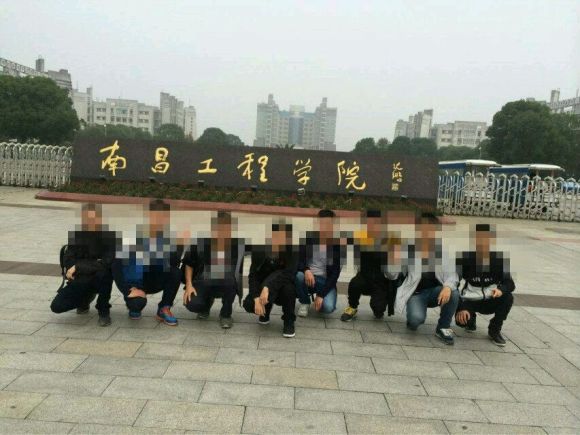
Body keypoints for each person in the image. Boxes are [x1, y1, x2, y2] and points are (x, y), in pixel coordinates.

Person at [112, 199, 183, 325]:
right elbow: (117, 265)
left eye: (163, 217)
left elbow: (174, 263)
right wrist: (127, 290)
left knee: (175, 272)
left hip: (155, 278)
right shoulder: (133, 236)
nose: (158, 221)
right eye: (155, 217)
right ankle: (134, 306)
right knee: (136, 304)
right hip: (137, 282)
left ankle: (164, 308)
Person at [392, 213, 460, 345]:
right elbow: (392, 275)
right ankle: (413, 317)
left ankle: (443, 327)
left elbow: (452, 275)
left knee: (453, 292)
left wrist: (447, 287)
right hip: (416, 294)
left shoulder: (442, 251)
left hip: (436, 293)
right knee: (415, 321)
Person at [51, 203, 117, 327]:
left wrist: (78, 266)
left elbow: (106, 262)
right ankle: (85, 299)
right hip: (80, 279)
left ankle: (103, 309)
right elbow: (68, 260)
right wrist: (84, 266)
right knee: (57, 306)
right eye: (87, 219)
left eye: (94, 218)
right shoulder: (76, 234)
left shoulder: (110, 236)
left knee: (105, 273)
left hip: (99, 279)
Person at [182, 211, 245, 329]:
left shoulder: (237, 244)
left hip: (226, 282)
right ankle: (205, 305)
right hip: (203, 280)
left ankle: (226, 314)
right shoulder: (200, 242)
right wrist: (189, 285)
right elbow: (189, 264)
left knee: (230, 281)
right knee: (193, 305)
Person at [455, 224, 515, 346]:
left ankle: (494, 329)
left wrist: (501, 290)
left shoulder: (499, 260)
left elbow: (510, 283)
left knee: (508, 297)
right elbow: (454, 283)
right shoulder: (464, 258)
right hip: (470, 300)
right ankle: (471, 318)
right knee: (461, 322)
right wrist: (461, 307)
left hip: (490, 299)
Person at [243, 221, 298, 338]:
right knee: (249, 304)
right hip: (264, 285)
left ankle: (289, 321)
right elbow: (253, 275)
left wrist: (267, 287)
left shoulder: (292, 250)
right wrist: (256, 298)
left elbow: (289, 273)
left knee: (289, 290)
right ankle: (265, 311)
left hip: (282, 287)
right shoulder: (259, 249)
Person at [340, 210, 396, 321]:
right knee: (355, 284)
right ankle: (352, 307)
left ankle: (379, 306)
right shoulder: (361, 236)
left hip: (381, 280)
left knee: (378, 310)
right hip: (364, 276)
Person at [296, 209, 345, 317]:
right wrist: (306, 270)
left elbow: (335, 274)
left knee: (328, 308)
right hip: (307, 277)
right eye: (322, 223)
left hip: (324, 281)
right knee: (298, 275)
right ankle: (305, 302)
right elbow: (299, 260)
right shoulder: (308, 238)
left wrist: (321, 295)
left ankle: (319, 295)